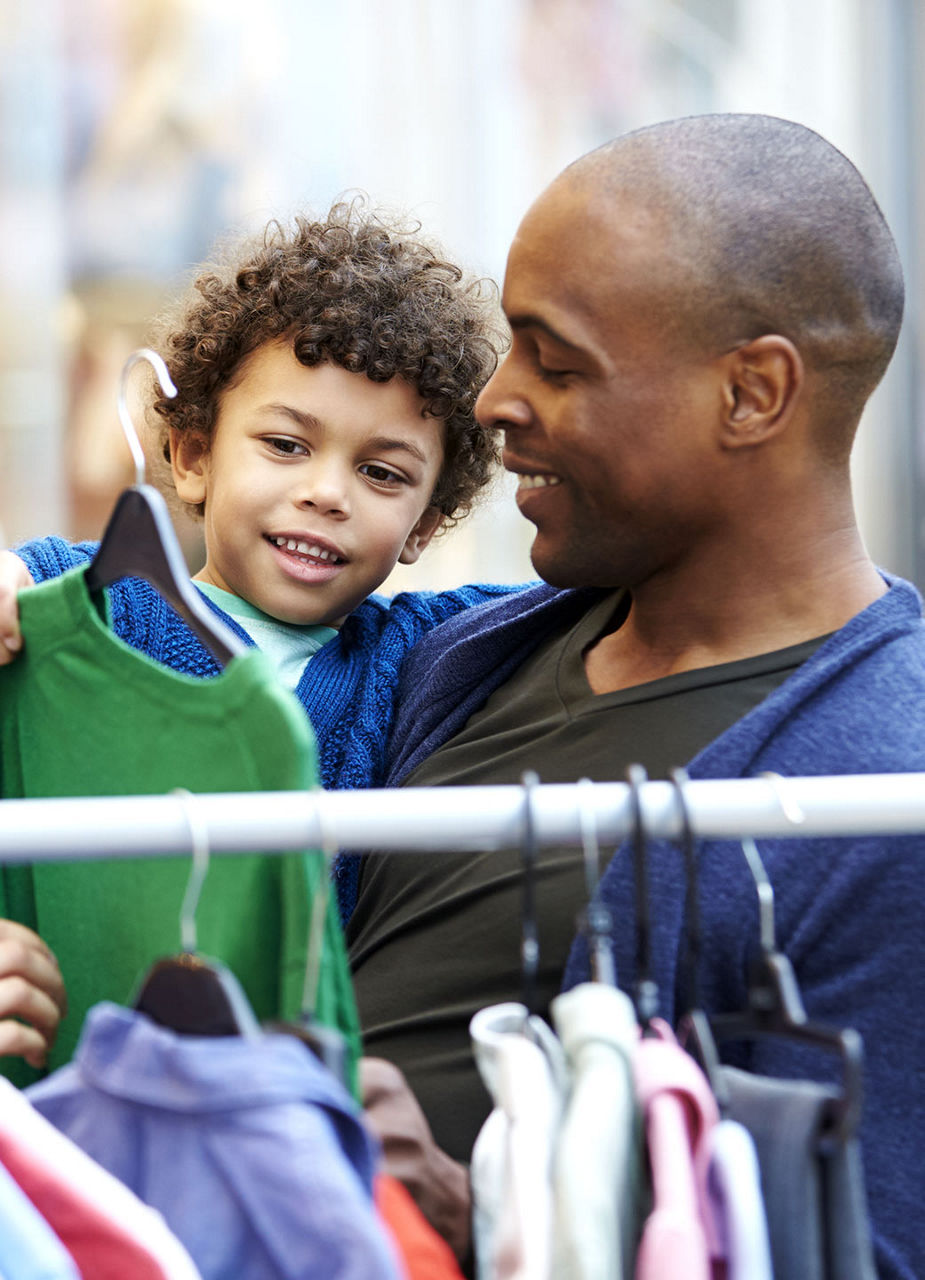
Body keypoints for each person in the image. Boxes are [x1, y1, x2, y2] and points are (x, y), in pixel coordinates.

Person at [347, 115, 925, 1278]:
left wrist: (471, 1211)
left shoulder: (889, 790)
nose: (494, 401)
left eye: (554, 362)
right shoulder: (456, 656)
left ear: (751, 392)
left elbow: (859, 1245)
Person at [0, 197, 514, 1073]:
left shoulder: (414, 652)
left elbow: (572, 598)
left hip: (276, 1107)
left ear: (424, 527)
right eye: (284, 444)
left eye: (382, 473)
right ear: (194, 456)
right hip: (56, 1080)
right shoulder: (86, 600)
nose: (328, 492)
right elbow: (37, 572)